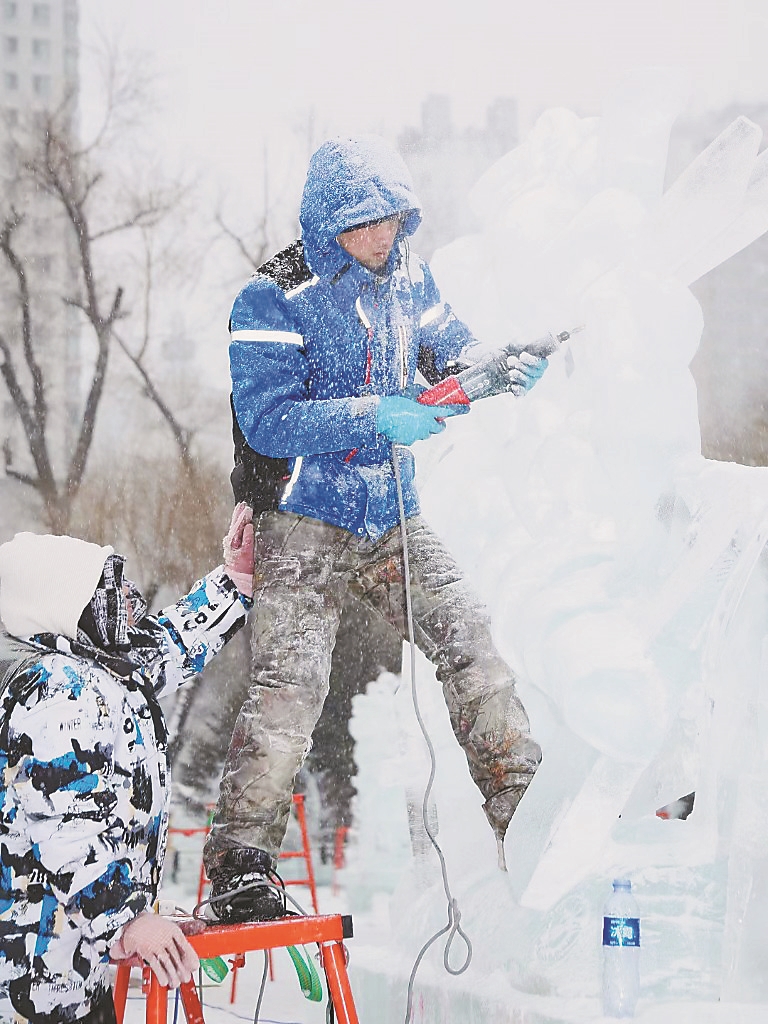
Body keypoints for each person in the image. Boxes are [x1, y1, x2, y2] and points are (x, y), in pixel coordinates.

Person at [203, 135, 545, 923]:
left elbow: (451, 349)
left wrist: (497, 366)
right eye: (364, 224)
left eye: (392, 220)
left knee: (472, 639)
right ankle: (241, 865)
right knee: (291, 692)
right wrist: (373, 414)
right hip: (304, 517)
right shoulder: (273, 297)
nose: (383, 237)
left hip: (391, 512)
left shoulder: (411, 279)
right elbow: (267, 418)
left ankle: (525, 811)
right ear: (327, 225)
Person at [0, 502, 255, 1024]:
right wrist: (126, 920)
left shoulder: (104, 670)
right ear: (64, 609)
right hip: (25, 985)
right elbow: (69, 828)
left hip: (72, 972)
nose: (131, 597)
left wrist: (236, 581)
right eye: (108, 588)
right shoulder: (55, 691)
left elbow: (170, 645)